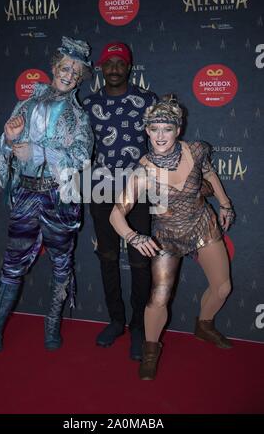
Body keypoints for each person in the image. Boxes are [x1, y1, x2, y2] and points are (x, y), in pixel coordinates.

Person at [0, 36, 94, 359]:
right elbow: (6, 145)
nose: (69, 75)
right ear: (54, 67)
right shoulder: (26, 105)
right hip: (25, 195)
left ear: (80, 79)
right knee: (11, 266)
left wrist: (37, 151)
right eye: (66, 67)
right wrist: (8, 141)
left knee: (62, 264)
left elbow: (81, 158)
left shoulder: (80, 118)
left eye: (76, 73)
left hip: (59, 200)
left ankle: (52, 325)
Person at [109, 95, 235, 379]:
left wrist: (225, 204)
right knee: (159, 298)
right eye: (155, 129)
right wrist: (134, 237)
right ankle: (151, 350)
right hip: (167, 234)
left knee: (223, 288)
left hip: (203, 224)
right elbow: (116, 213)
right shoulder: (143, 172)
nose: (161, 135)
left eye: (167, 128)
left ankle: (204, 326)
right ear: (147, 131)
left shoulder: (196, 150)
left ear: (178, 129)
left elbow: (210, 175)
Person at [83, 42, 158, 360]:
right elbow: (80, 149)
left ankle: (138, 325)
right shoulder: (88, 103)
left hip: (137, 190)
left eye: (120, 63)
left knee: (141, 260)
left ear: (129, 66)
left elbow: (160, 145)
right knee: (107, 257)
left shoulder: (148, 100)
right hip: (100, 188)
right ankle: (115, 320)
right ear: (101, 67)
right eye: (108, 63)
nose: (114, 68)